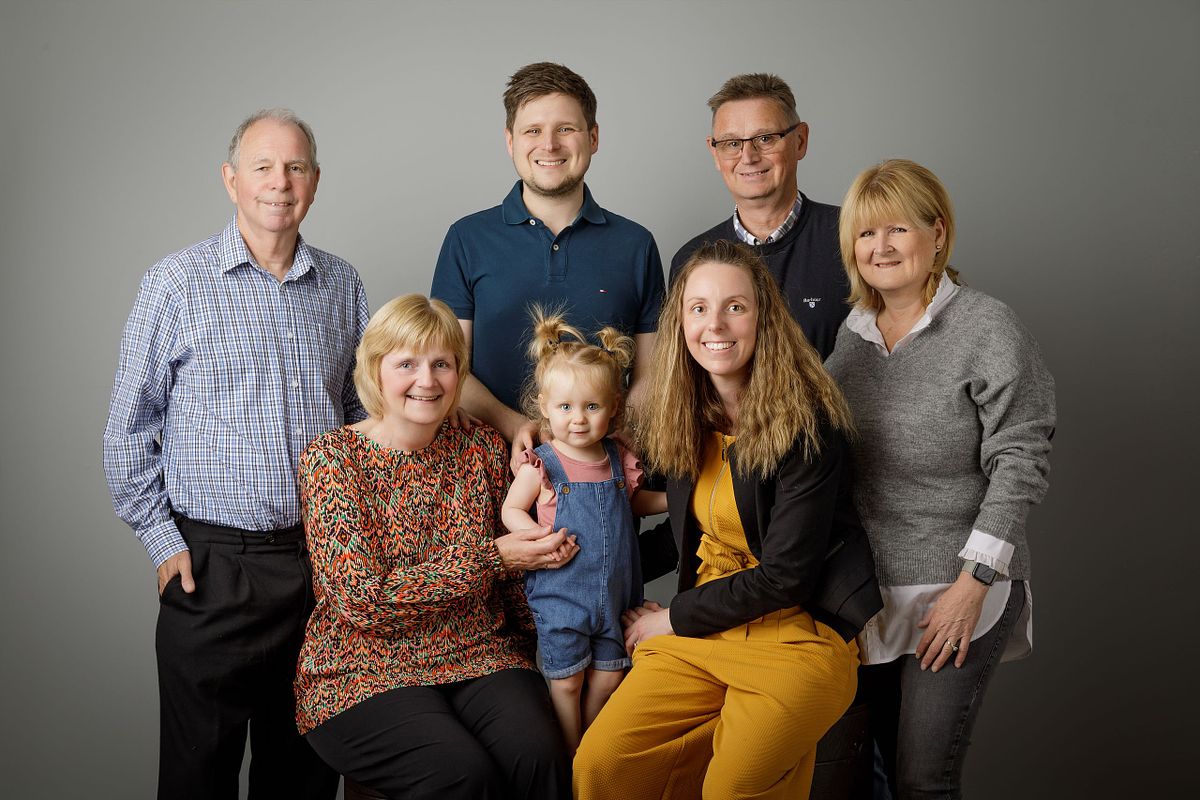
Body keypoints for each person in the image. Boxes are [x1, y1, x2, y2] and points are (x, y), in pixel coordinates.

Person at [103, 108, 365, 800]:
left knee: (304, 778)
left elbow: (361, 418)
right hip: (211, 569)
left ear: (315, 181)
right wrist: (163, 542)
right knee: (199, 780)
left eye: (296, 167)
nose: (280, 182)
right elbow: (128, 428)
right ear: (231, 179)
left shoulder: (343, 286)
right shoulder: (175, 283)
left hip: (317, 568)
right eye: (263, 167)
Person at [574, 241, 882, 800]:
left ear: (764, 317)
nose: (714, 325)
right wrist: (582, 574)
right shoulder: (684, 414)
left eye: (734, 307)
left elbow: (786, 577)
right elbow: (685, 535)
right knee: (602, 766)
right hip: (707, 629)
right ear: (680, 322)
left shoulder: (806, 424)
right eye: (698, 308)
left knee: (731, 790)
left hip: (797, 634)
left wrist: (672, 618)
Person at [824, 159, 1056, 798]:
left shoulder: (988, 327)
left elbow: (1021, 459)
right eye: (865, 234)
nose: (880, 247)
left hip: (958, 587)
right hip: (865, 596)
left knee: (922, 780)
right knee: (851, 776)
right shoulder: (850, 339)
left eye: (897, 229)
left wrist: (973, 582)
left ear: (938, 234)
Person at [295, 294, 573, 799]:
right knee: (460, 773)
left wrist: (562, 647)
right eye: (407, 364)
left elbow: (516, 588)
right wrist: (492, 558)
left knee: (539, 754)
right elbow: (363, 600)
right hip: (363, 668)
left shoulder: (482, 448)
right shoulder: (333, 459)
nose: (427, 380)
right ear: (375, 371)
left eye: (442, 364)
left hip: (480, 653)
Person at [431, 61, 666, 465]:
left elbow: (651, 372)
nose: (550, 145)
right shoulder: (466, 239)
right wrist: (517, 426)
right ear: (510, 141)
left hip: (600, 466)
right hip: (486, 466)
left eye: (566, 129)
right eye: (533, 131)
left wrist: (610, 434)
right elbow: (448, 365)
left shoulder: (636, 244)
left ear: (593, 137)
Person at [500, 309, 667, 753]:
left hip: (616, 595)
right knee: (568, 680)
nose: (578, 419)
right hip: (562, 595)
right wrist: (538, 537)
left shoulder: (617, 458)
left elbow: (632, 503)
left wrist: (678, 499)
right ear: (544, 407)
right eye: (565, 407)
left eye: (592, 407)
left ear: (613, 408)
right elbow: (511, 510)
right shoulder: (543, 464)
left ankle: (589, 748)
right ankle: (571, 752)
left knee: (609, 677)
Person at [672, 73, 848, 359]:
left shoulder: (853, 237)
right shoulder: (691, 260)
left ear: (800, 141)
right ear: (714, 152)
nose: (748, 157)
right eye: (731, 143)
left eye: (765, 139)